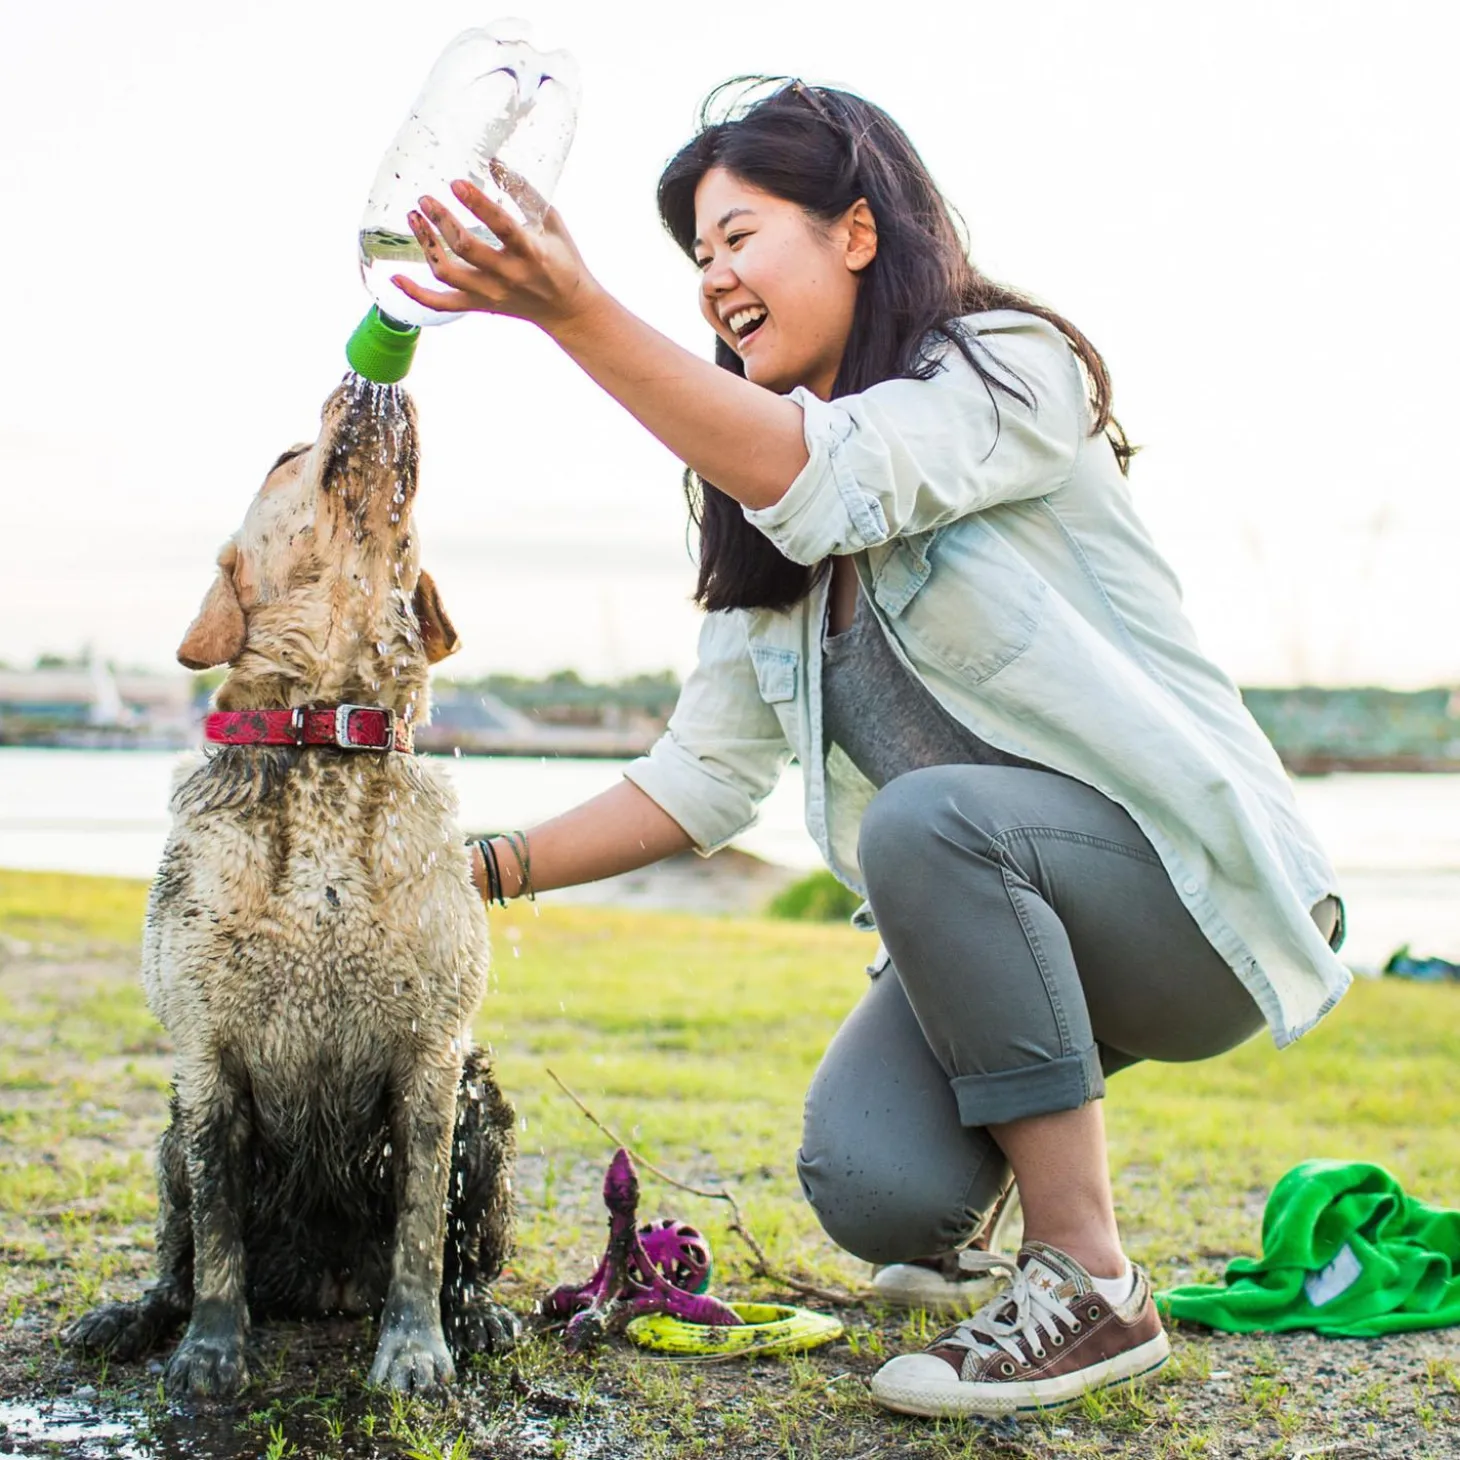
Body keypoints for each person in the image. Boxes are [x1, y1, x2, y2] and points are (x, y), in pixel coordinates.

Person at [393, 79, 1349, 1419]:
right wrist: (467, 868)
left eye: (740, 236)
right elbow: (700, 779)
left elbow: (836, 472)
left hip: (1190, 905)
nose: (714, 277)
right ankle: (1000, 1194)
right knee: (874, 1190)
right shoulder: (764, 516)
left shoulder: (1008, 373)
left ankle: (1089, 1279)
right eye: (698, 257)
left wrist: (572, 312)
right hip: (1029, 924)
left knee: (924, 822)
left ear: (854, 231)